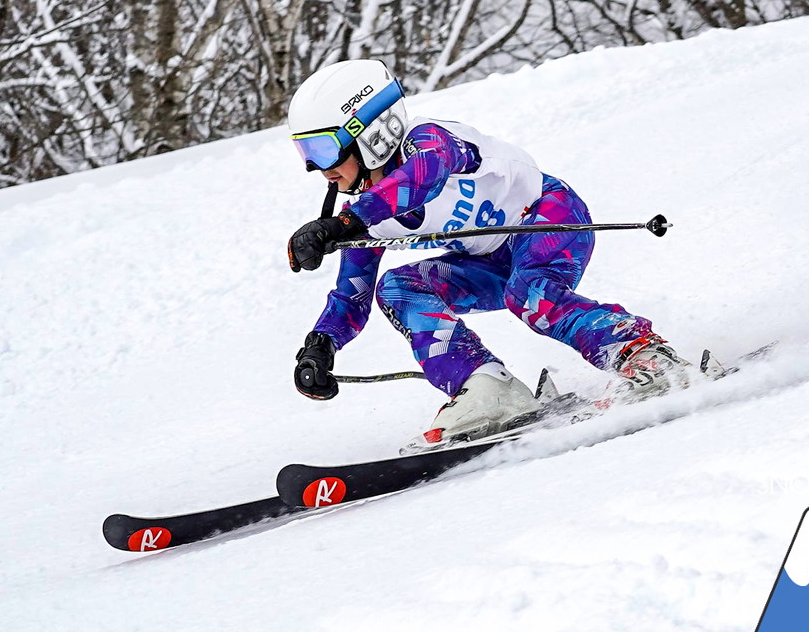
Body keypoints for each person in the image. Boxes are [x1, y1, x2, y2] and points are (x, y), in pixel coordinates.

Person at [286, 58, 691, 448]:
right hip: (490, 260)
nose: (319, 169)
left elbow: (426, 175)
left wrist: (345, 224)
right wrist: (320, 346)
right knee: (398, 287)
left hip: (549, 216)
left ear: (372, 133)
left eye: (324, 149)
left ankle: (642, 354)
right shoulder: (363, 215)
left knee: (529, 291)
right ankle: (486, 386)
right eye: (307, 153)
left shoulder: (428, 141)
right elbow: (350, 298)